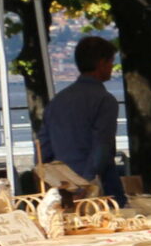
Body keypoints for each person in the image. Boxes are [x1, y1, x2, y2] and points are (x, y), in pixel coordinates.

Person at [40, 34, 121, 195]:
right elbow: (101, 147)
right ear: (101, 63)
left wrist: (51, 182)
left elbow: (43, 149)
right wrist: (85, 184)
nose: (112, 67)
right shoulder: (105, 100)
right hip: (97, 187)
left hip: (61, 185)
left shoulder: (57, 101)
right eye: (111, 62)